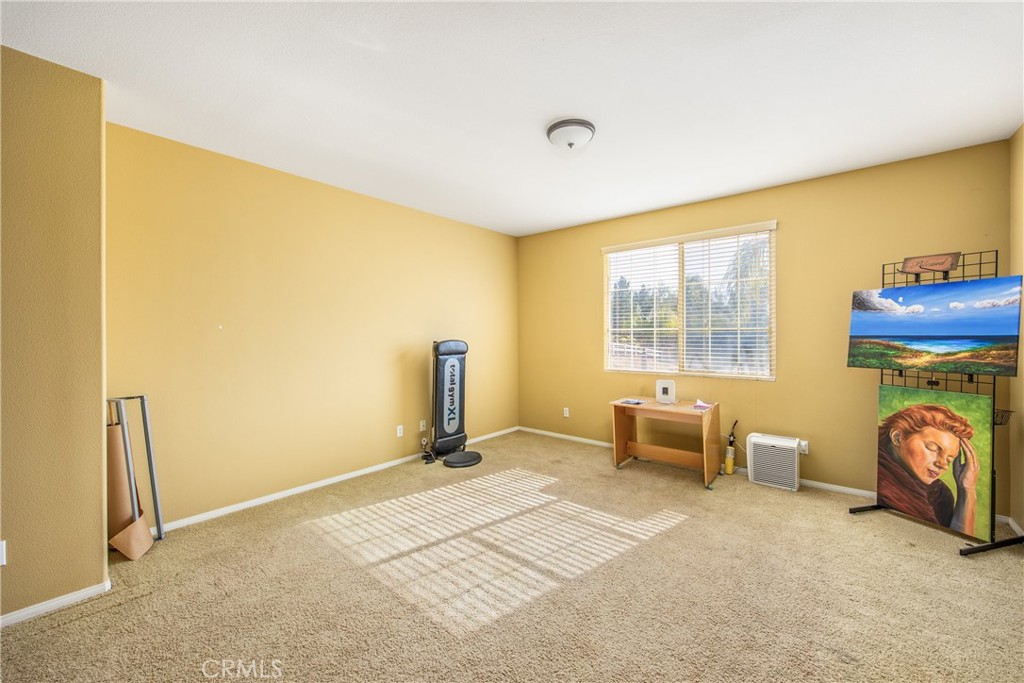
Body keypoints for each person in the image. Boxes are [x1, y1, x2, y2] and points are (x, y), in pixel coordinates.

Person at [877, 403, 979, 535]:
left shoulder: (941, 494)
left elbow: (957, 541)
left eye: (950, 459)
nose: (943, 464)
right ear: (897, 437)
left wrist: (967, 489)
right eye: (933, 448)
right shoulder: (882, 485)